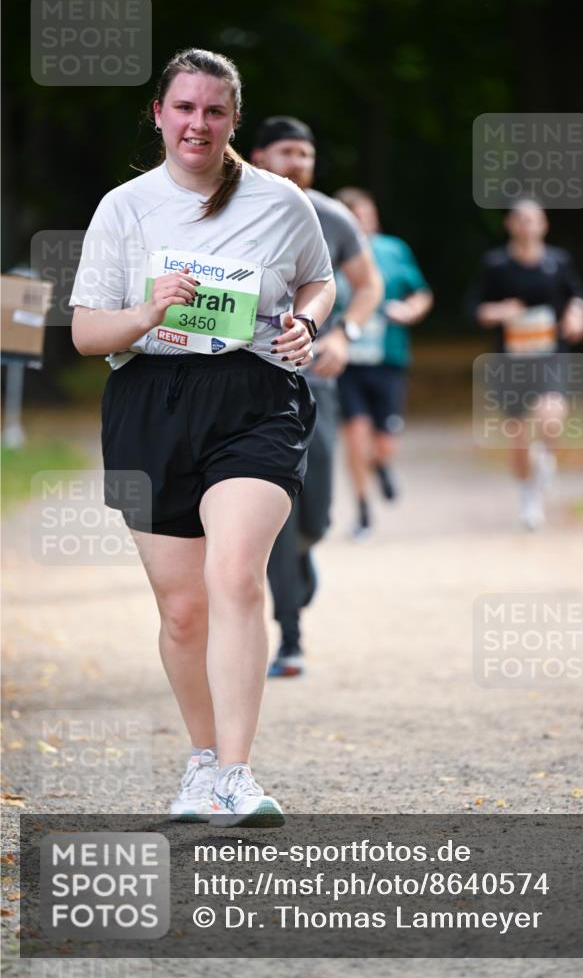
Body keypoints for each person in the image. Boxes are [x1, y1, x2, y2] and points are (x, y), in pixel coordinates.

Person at [69, 49, 335, 826]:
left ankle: (236, 774)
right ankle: (200, 762)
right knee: (183, 608)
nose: (197, 123)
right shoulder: (124, 207)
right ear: (158, 113)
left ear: (232, 121)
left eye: (213, 111)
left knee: (235, 574)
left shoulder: (280, 200)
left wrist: (306, 321)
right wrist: (147, 312)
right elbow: (87, 333)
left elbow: (318, 277)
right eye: (184, 108)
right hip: (149, 401)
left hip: (255, 398)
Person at [251, 118, 382, 676]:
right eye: (287, 152)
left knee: (315, 519)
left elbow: (369, 284)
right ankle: (290, 635)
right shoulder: (235, 213)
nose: (299, 161)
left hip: (317, 384)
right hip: (251, 386)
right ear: (258, 156)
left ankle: (303, 555)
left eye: (307, 153)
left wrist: (346, 336)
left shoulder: (332, 215)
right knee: (276, 516)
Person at [470, 198, 583, 530]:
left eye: (533, 220)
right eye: (520, 219)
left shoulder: (558, 262)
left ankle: (547, 456)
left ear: (544, 225)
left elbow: (578, 296)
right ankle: (528, 496)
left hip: (550, 356)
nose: (526, 226)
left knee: (551, 419)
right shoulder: (496, 265)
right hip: (510, 363)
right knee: (520, 438)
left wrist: (577, 312)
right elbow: (475, 308)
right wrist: (496, 312)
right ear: (509, 224)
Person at [334, 188, 433, 538]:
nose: (364, 222)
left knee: (383, 443)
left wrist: (410, 310)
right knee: (355, 438)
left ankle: (384, 464)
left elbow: (421, 293)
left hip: (388, 356)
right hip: (345, 361)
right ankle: (362, 511)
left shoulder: (394, 250)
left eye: (368, 215)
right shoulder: (328, 251)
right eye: (356, 216)